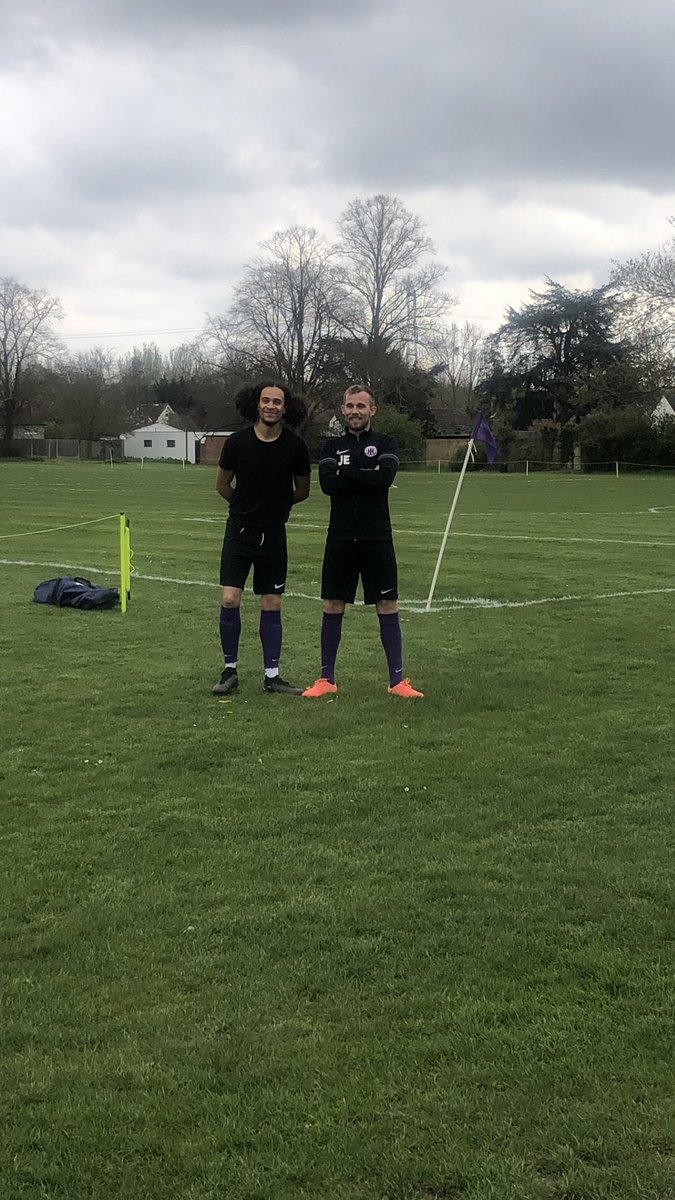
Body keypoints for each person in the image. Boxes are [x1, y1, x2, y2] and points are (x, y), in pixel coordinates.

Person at [303, 384, 424, 699]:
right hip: (340, 537)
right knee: (332, 603)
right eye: (350, 406)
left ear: (373, 410)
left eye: (361, 406)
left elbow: (386, 479)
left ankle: (397, 681)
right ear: (343, 410)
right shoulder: (331, 447)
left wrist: (350, 474)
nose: (355, 411)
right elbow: (328, 485)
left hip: (377, 537)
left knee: (387, 604)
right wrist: (367, 473)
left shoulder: (386, 442)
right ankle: (326, 679)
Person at [212, 380, 311, 696]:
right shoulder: (237, 443)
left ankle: (272, 676)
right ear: (256, 404)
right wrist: (245, 508)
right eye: (266, 400)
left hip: (274, 535)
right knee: (230, 598)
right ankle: (230, 671)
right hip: (239, 532)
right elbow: (223, 485)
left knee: (272, 602)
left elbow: (303, 491)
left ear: (285, 407)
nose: (271, 406)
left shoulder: (296, 447)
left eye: (277, 402)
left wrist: (276, 508)